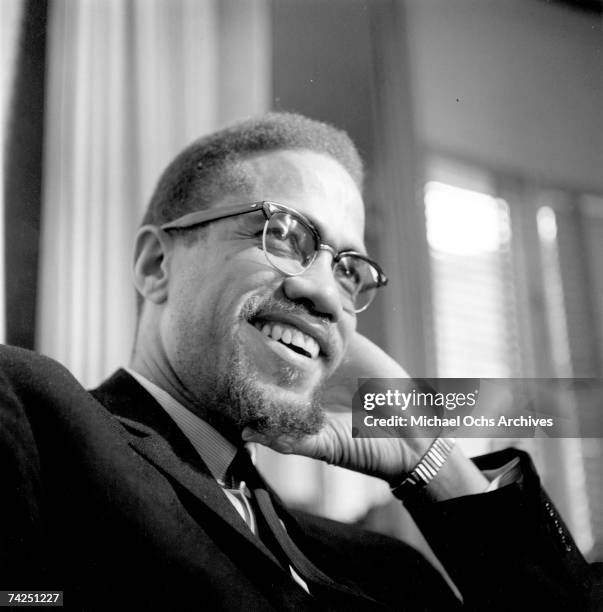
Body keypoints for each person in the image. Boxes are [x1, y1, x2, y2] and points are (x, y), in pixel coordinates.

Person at [0, 113, 600, 611]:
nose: (325, 296)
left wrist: (427, 452)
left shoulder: (389, 570)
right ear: (158, 266)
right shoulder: (36, 417)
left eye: (349, 270)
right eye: (284, 234)